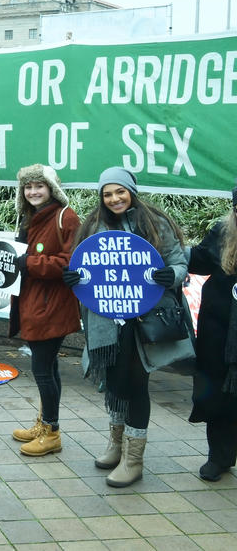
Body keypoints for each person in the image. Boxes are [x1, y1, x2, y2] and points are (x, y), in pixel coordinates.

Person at [64, 167, 187, 487]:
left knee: (135, 384)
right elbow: (83, 265)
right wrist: (75, 278)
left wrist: (169, 276)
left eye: (120, 191)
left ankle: (134, 459)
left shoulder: (155, 222)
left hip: (143, 320)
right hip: (106, 320)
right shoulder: (93, 225)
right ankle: (116, 446)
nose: (114, 198)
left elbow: (178, 263)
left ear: (131, 190)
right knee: (115, 382)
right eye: (107, 193)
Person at [8, 164, 82, 456]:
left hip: (51, 305)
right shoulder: (29, 218)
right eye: (28, 187)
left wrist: (29, 263)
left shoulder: (66, 217)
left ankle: (51, 433)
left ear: (52, 188)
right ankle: (45, 423)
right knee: (48, 368)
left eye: (39, 186)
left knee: (42, 370)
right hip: (33, 301)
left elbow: (70, 263)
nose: (33, 191)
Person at [186, 183, 237, 481]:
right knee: (218, 394)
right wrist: (166, 252)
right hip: (218, 330)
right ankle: (219, 457)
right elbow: (199, 259)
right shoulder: (222, 231)